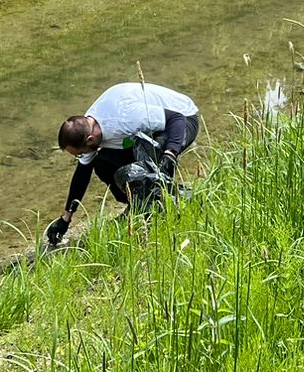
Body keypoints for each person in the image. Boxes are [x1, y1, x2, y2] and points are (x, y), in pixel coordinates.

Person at [42, 80, 201, 247]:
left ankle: (173, 204)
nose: (80, 156)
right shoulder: (89, 128)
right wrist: (66, 218)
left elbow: (177, 119)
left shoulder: (125, 118)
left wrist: (170, 153)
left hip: (182, 119)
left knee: (146, 167)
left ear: (90, 140)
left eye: (80, 153)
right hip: (149, 132)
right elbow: (82, 175)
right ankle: (139, 205)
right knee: (102, 163)